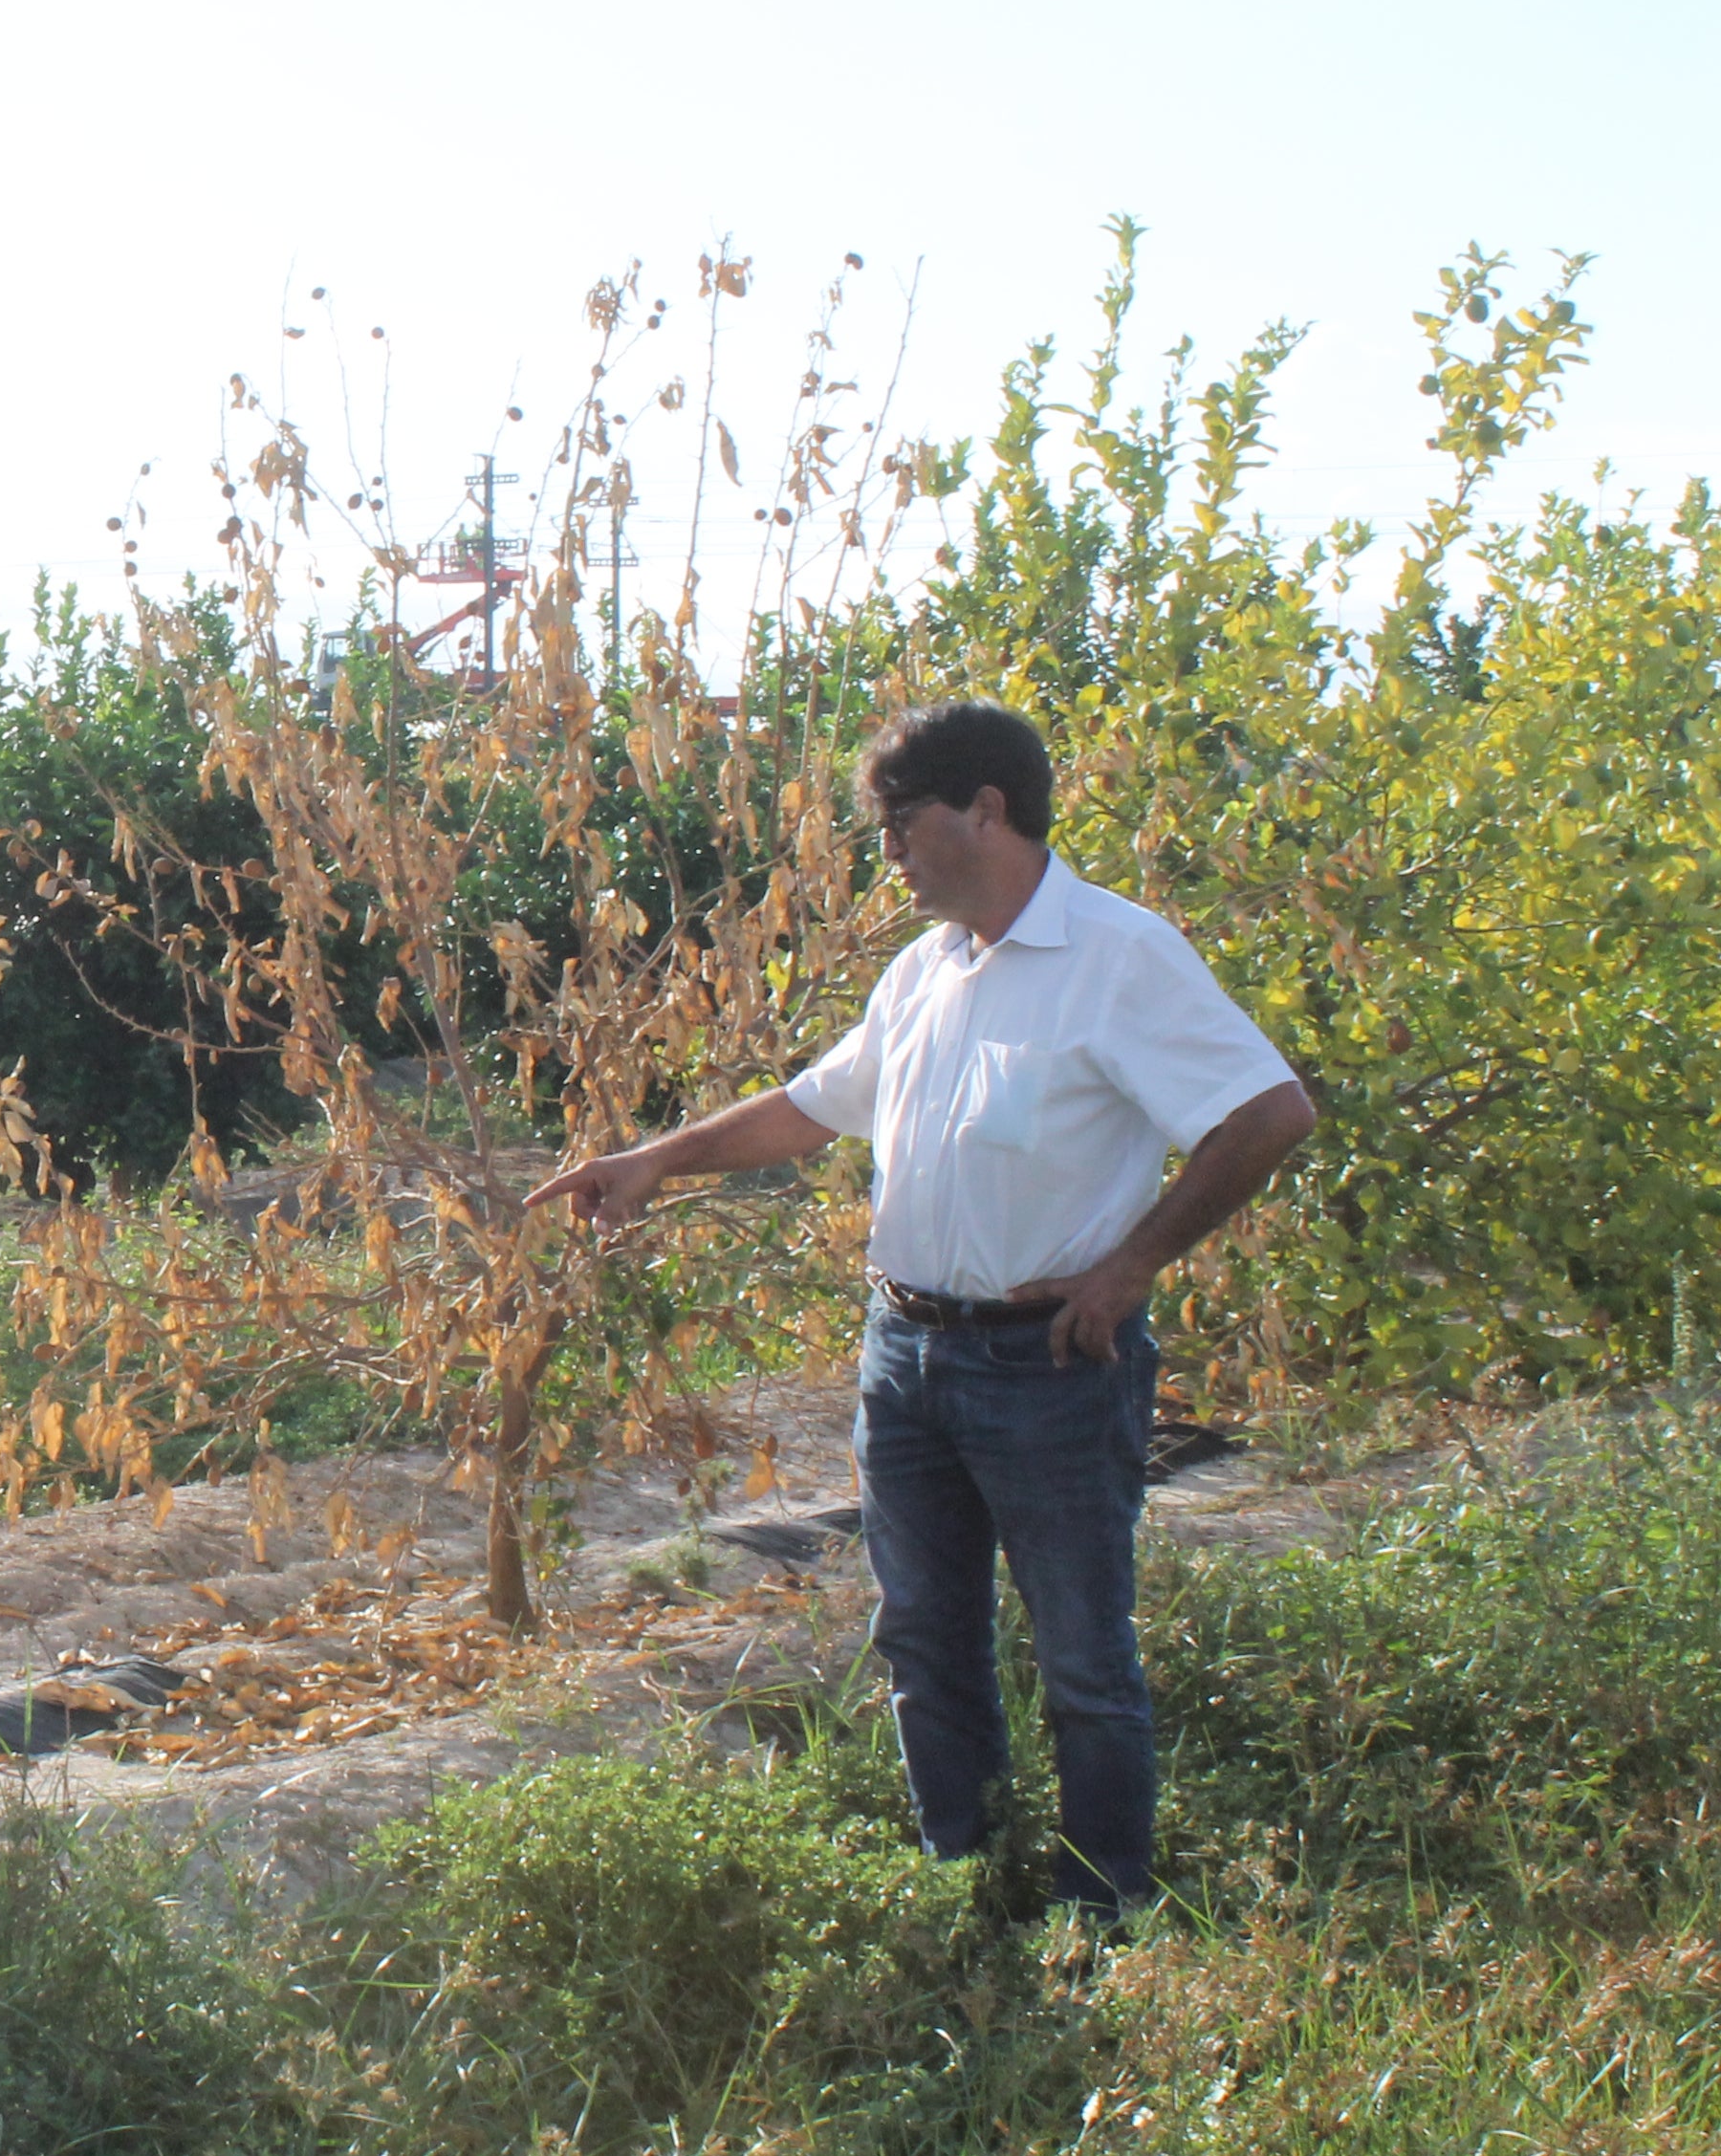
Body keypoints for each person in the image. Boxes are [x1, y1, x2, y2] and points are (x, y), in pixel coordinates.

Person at [527, 699, 1315, 1913]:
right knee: (924, 1644)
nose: (885, 854)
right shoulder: (925, 971)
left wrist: (1132, 1264)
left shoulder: (1119, 955)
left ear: (985, 810)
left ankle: (1103, 1913)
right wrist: (654, 1161)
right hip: (907, 1359)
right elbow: (812, 1104)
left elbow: (1268, 1113)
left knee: (1082, 1662)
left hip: (1048, 1365)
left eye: (899, 826)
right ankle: (967, 1889)